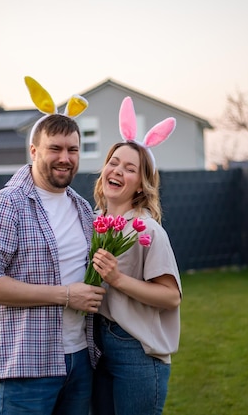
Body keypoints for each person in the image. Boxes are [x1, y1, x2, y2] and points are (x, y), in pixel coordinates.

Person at [0, 77, 106, 415]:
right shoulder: (5, 205)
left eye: (72, 149)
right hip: (30, 366)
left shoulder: (81, 207)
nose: (65, 158)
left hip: (80, 359)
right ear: (34, 151)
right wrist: (65, 295)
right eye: (55, 148)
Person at [89, 96, 182, 415]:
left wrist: (117, 279)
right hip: (96, 344)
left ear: (141, 186)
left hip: (136, 349)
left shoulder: (148, 231)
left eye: (130, 168)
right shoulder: (92, 221)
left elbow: (171, 297)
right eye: (113, 162)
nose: (117, 171)